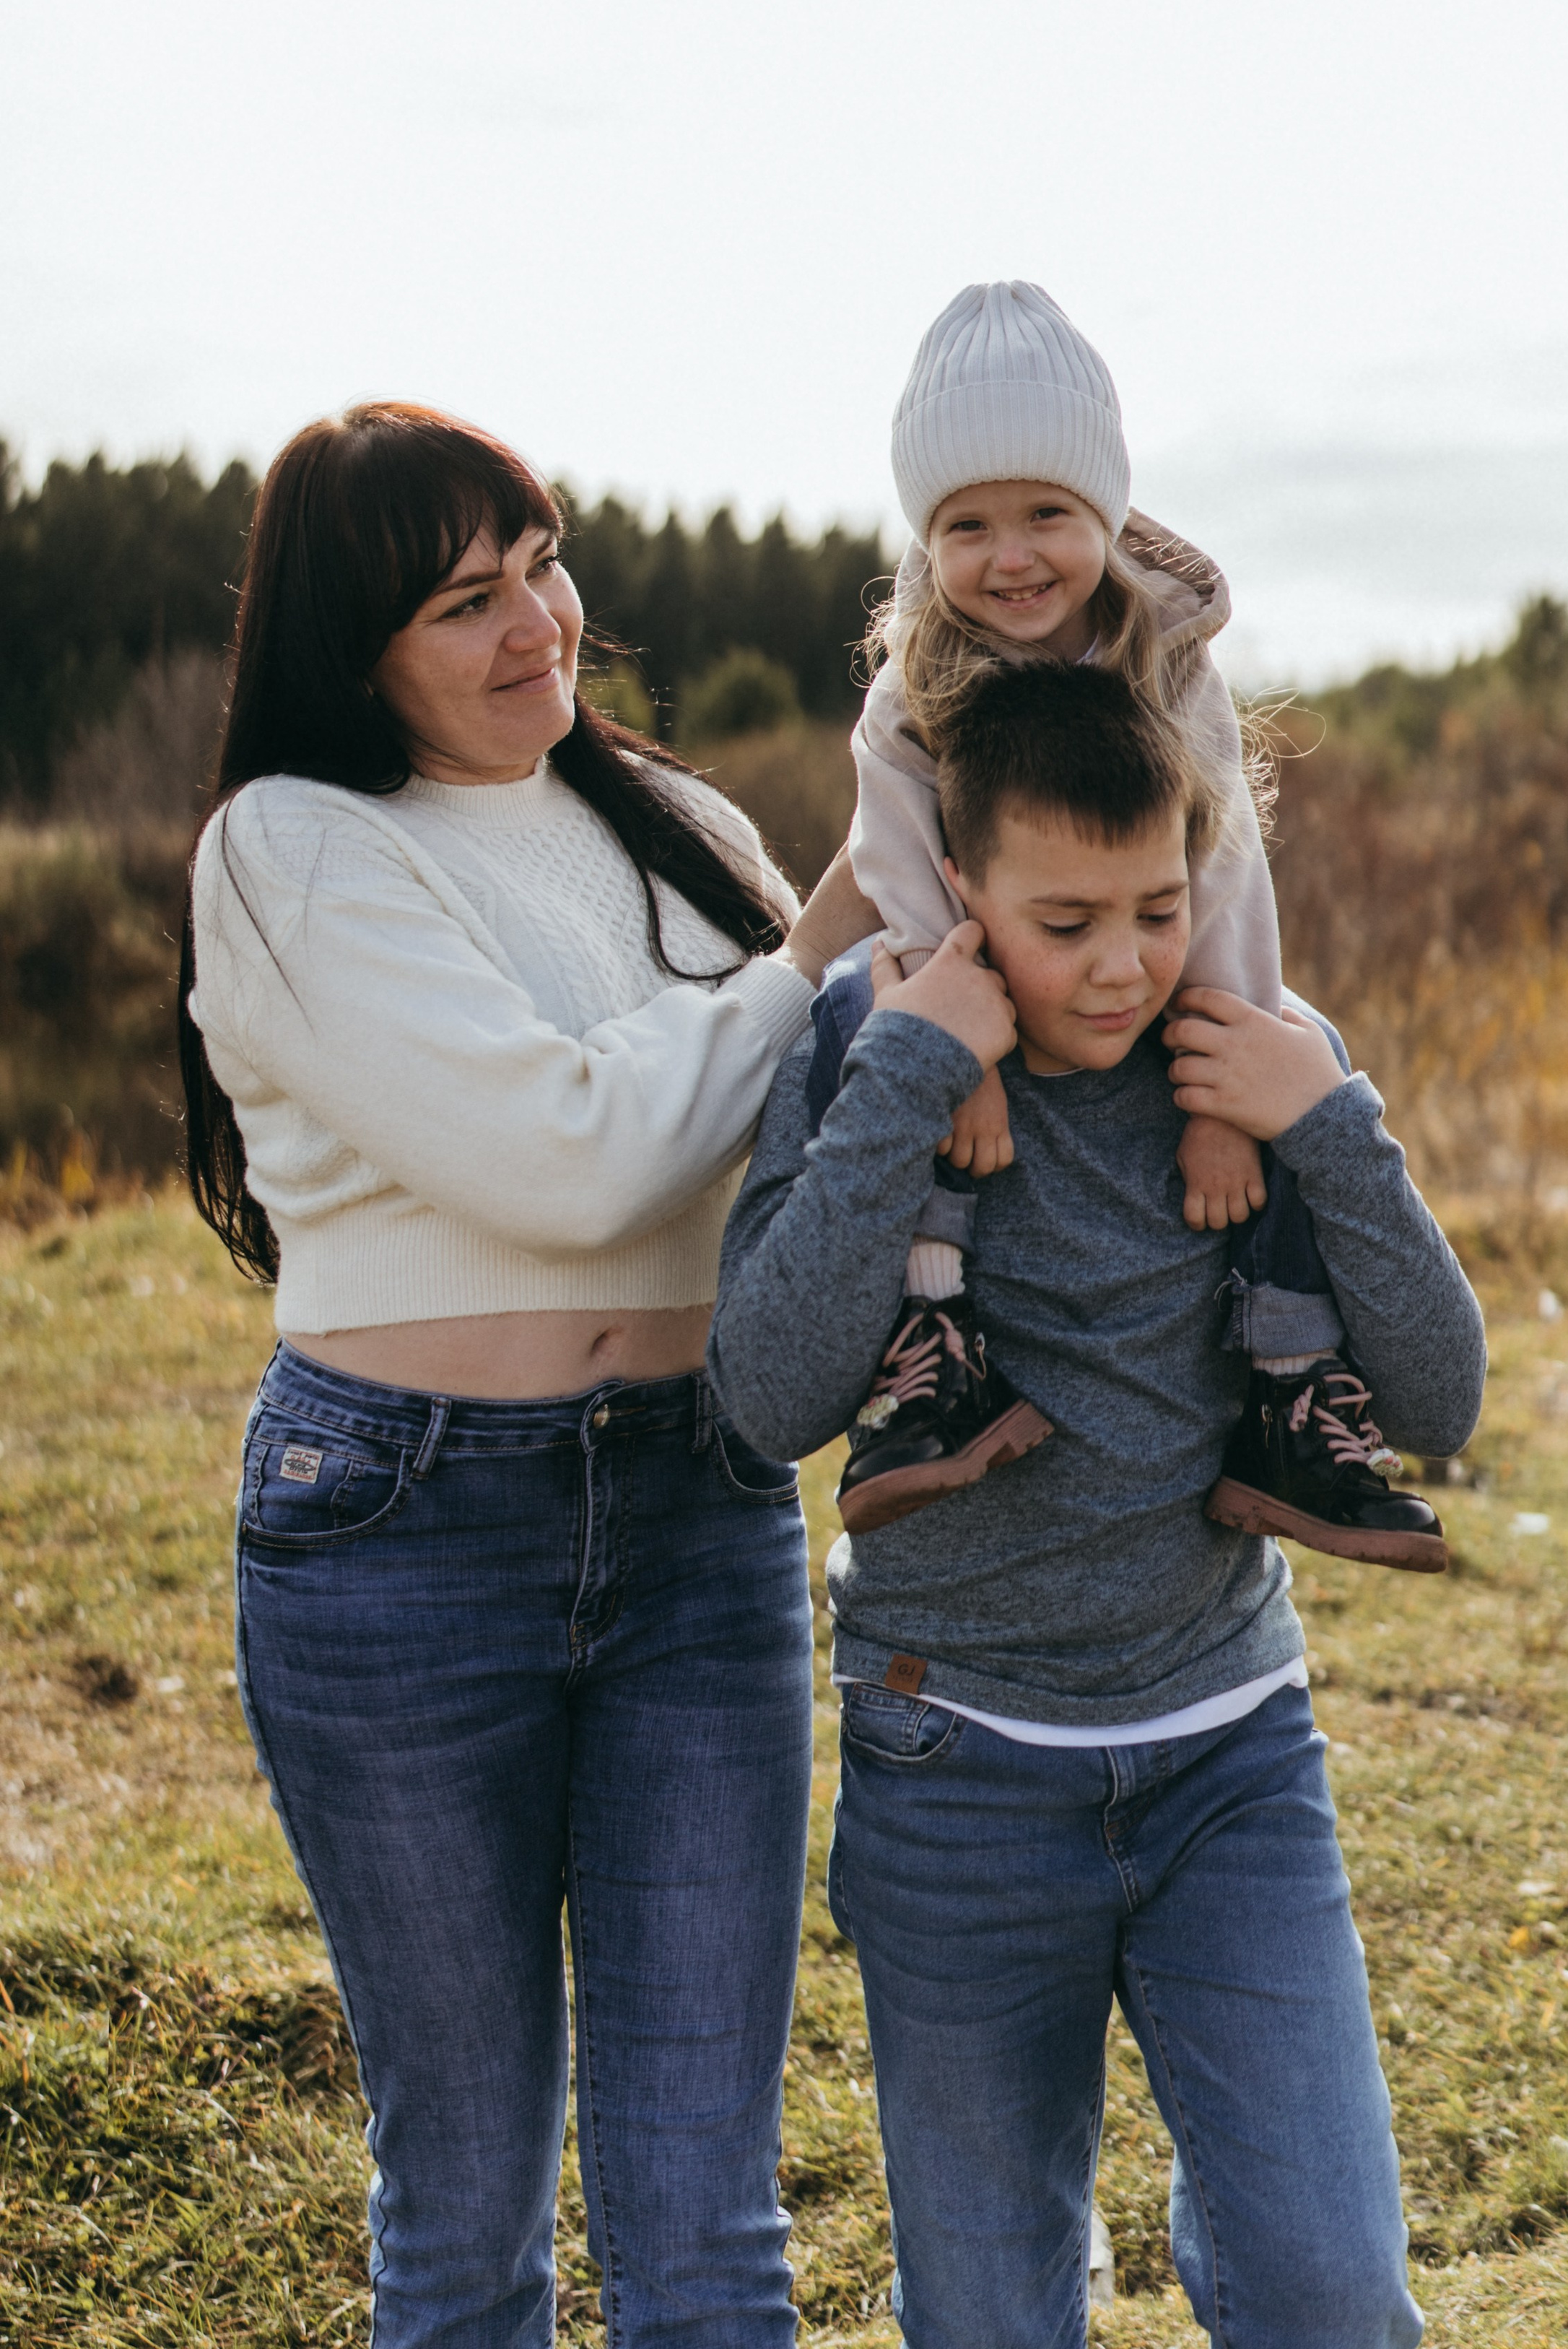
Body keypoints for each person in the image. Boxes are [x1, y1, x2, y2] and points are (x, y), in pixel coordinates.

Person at [180, 401, 864, 2349]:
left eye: (542, 564)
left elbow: (809, 1149)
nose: (534, 624)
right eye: (464, 600)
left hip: (697, 1514)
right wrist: (815, 947)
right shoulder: (295, 849)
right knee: (470, 2210)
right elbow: (573, 1162)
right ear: (353, 648)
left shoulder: (688, 830)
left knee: (710, 2227)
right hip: (404, 1540)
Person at [709, 661, 1486, 2349]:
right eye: (1063, 923)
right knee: (989, 2322)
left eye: (1154, 908)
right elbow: (766, 1403)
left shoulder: (1258, 1060)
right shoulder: (873, 1048)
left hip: (1229, 1757)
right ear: (959, 890)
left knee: (1333, 2300)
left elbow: (1439, 1405)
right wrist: (911, 1072)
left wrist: (1331, 1125)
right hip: (954, 1773)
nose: (1121, 966)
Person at [824, 278, 1444, 1568]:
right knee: (890, 1057)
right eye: (967, 526)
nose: (1013, 557)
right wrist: (964, 1056)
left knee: (1272, 1066)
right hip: (967, 973)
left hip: (1163, 969)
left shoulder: (1168, 660)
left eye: (1049, 514)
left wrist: (1225, 1094)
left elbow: (1222, 876)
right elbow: (894, 861)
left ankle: (1292, 1389)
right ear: (926, 541)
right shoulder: (914, 684)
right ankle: (925, 1359)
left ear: (1104, 514)